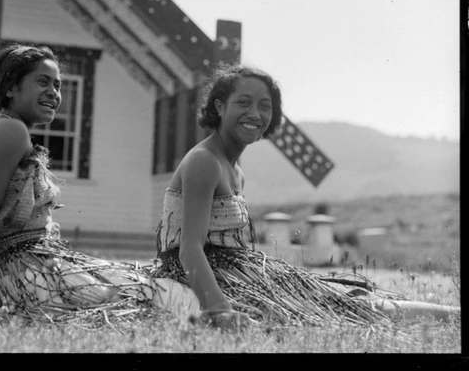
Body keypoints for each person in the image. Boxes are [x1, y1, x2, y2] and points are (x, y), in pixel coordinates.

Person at [152, 63, 460, 330]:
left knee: (341, 295)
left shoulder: (234, 169)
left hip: (233, 268)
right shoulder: (204, 161)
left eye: (265, 106)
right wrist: (220, 311)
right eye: (243, 102)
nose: (255, 114)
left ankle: (453, 316)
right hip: (209, 273)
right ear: (219, 107)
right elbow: (189, 249)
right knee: (341, 307)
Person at [0, 43, 168, 324]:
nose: (55, 93)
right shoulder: (10, 131)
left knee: (137, 288)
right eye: (43, 82)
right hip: (20, 271)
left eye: (58, 85)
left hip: (23, 266)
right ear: (11, 87)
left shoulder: (8, 129)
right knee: (142, 296)